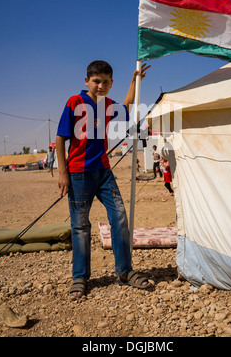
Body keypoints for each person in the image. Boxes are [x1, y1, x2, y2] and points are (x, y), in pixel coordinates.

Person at [56, 60, 152, 298]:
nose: (101, 86)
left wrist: (135, 81)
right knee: (80, 226)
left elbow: (127, 106)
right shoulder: (75, 102)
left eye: (106, 82)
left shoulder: (108, 104)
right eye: (96, 81)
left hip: (104, 171)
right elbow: (60, 138)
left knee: (119, 217)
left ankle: (124, 271)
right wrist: (62, 172)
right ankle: (79, 278)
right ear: (86, 81)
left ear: (111, 84)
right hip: (78, 173)